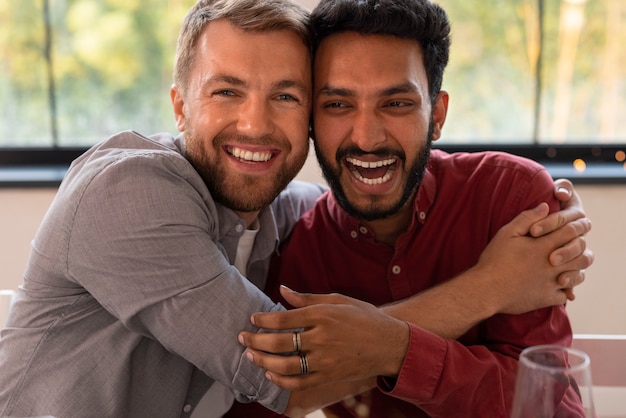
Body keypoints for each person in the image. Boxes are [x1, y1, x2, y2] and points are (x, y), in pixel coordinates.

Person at [0, 1, 589, 418]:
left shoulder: (290, 220)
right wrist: (492, 286)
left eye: (284, 95)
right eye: (227, 90)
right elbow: (277, 377)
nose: (256, 123)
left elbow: (551, 404)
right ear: (180, 107)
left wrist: (547, 202)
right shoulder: (129, 191)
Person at [233, 0, 594, 416]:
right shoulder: (297, 258)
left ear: (436, 115)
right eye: (338, 105)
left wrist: (389, 347)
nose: (367, 138)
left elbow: (539, 398)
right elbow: (262, 403)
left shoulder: (511, 198)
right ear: (311, 118)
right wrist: (487, 289)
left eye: (397, 103)